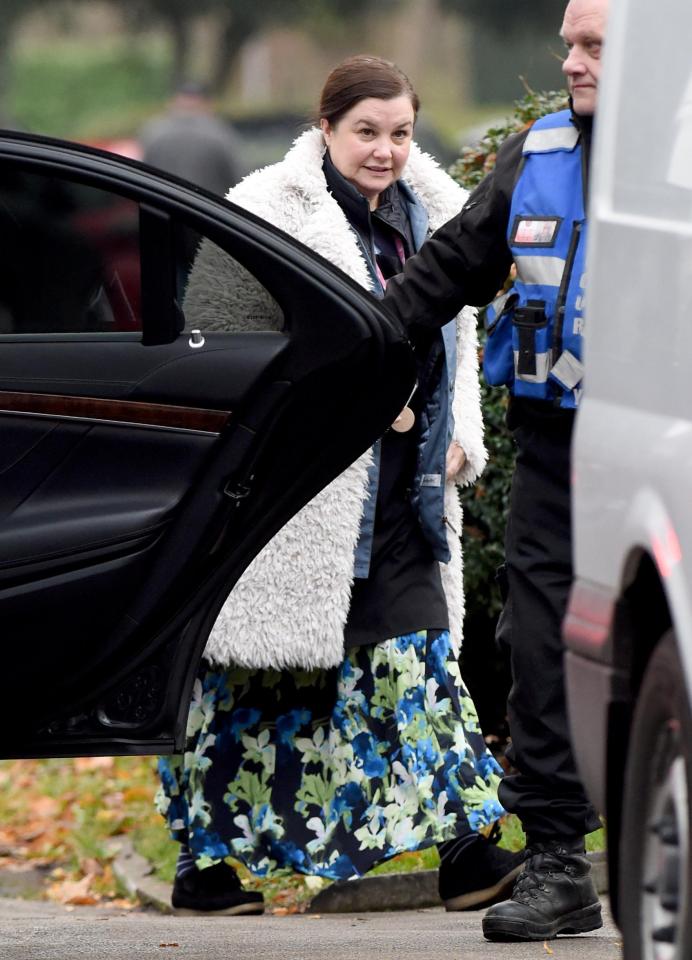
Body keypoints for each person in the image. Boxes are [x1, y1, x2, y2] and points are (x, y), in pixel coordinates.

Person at [156, 55, 524, 916]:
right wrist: (355, 411)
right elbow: (223, 346)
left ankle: (469, 851)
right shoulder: (263, 210)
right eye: (366, 132)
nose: (386, 151)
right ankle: (202, 869)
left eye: (400, 133)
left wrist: (454, 432)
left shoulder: (430, 215)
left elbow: (453, 339)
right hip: (295, 500)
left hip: (403, 498)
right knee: (256, 696)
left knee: (420, 662)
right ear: (324, 129)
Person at [382, 0, 608, 943]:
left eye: (594, 45)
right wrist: (346, 343)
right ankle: (559, 863)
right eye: (568, 43)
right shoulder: (537, 152)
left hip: (668, 442)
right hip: (559, 446)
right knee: (542, 640)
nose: (571, 61)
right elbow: (445, 274)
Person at [139, 81, 243, 195]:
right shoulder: (220, 133)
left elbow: (141, 173)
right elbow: (238, 179)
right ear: (209, 104)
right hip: (206, 209)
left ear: (172, 103)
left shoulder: (153, 132)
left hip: (161, 205)